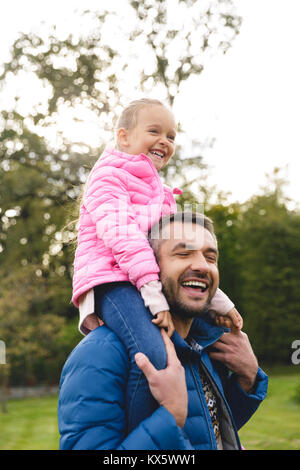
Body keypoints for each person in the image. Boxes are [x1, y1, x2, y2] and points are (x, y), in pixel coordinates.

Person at [72, 98, 242, 432]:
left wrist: (220, 302)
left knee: (217, 334)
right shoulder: (107, 177)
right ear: (124, 137)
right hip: (113, 280)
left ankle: (215, 425)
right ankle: (147, 429)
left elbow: (180, 254)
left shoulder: (163, 193)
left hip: (145, 278)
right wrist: (153, 295)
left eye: (172, 136)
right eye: (154, 131)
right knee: (151, 351)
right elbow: (124, 240)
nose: (165, 141)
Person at [58, 212, 268, 450]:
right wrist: (170, 416)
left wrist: (249, 377)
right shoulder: (99, 354)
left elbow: (207, 431)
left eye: (211, 257)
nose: (202, 265)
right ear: (150, 268)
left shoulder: (204, 345)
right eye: (183, 253)